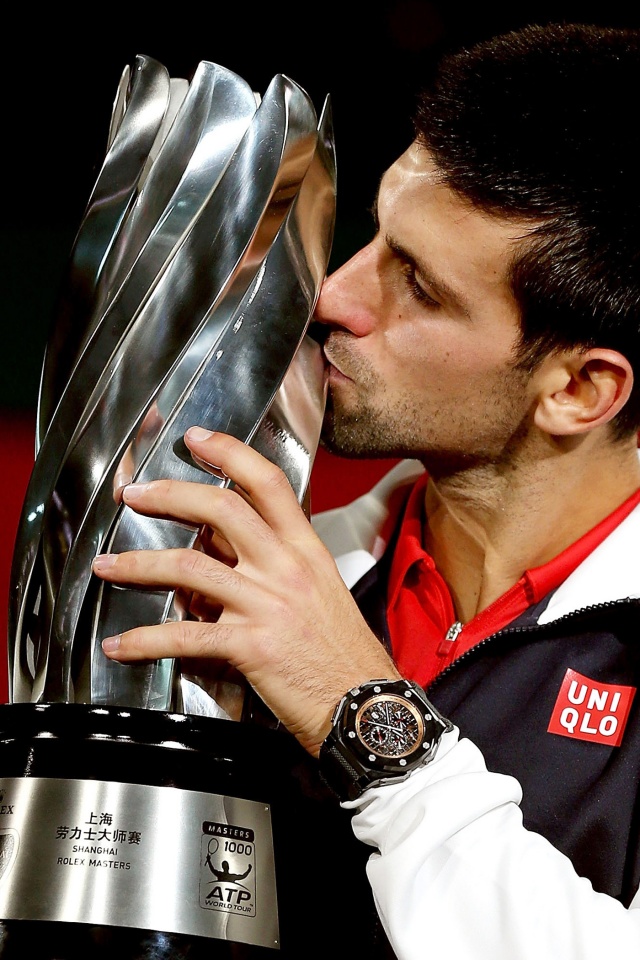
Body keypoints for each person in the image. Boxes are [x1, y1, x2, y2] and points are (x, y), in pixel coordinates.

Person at [91, 21, 640, 959]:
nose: (336, 297)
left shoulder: (312, 637)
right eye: (377, 235)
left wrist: (365, 717)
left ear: (579, 390)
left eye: (418, 286)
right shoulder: (266, 587)